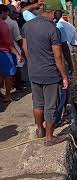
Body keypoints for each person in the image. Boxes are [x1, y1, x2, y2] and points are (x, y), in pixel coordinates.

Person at [21, 2, 68, 146]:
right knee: (50, 106)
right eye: (59, 12)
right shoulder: (53, 29)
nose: (60, 15)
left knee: (38, 103)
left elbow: (25, 47)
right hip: (50, 74)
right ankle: (49, 137)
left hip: (34, 72)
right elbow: (58, 56)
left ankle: (40, 130)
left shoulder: (27, 25)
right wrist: (65, 76)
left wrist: (34, 62)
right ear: (53, 12)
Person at [0, 4, 21, 102]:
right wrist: (17, 54)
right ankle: (8, 95)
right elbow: (9, 42)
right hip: (4, 52)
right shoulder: (3, 24)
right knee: (8, 75)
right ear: (3, 12)